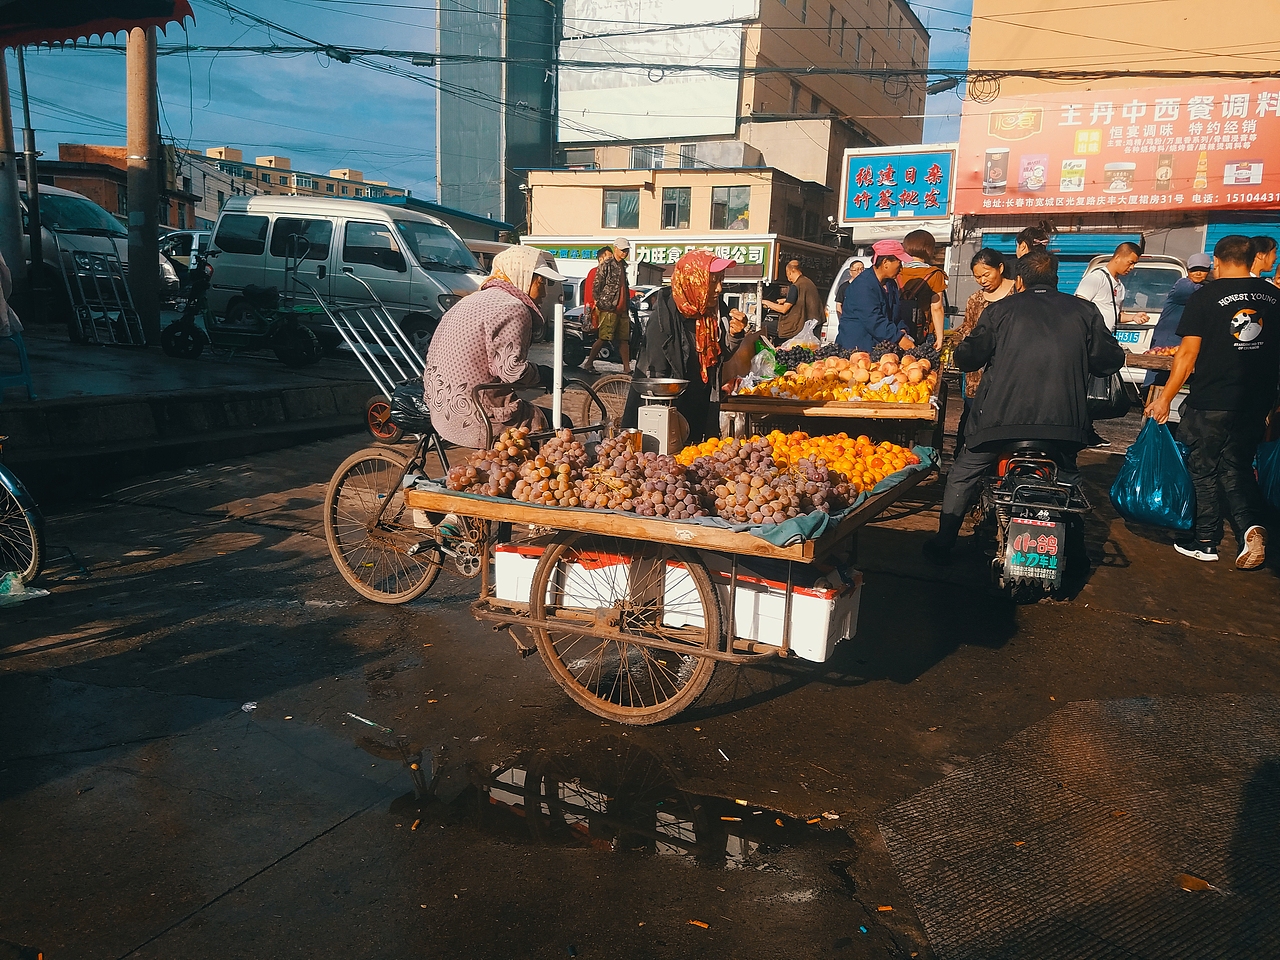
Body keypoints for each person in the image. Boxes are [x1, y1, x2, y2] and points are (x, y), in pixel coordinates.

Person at [923, 251, 1124, 564]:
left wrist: (963, 350)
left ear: (1018, 279)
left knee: (963, 473)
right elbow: (1110, 360)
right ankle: (1076, 552)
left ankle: (944, 540)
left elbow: (968, 357)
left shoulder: (1000, 311)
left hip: (999, 422)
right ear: (1056, 279)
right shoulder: (1085, 311)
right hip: (1065, 426)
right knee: (1068, 480)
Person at [1146, 235, 1280, 569]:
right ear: (1253, 260)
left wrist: (1165, 398)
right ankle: (1251, 526)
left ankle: (1205, 540)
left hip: (1212, 399)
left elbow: (1188, 356)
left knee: (1202, 467)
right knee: (1236, 465)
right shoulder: (1276, 298)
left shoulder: (1205, 297)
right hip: (1256, 401)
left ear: (1217, 262)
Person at [422, 245, 564, 448]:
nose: (543, 292)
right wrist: (543, 374)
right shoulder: (513, 308)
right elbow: (511, 371)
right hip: (476, 415)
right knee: (559, 424)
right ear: (522, 276)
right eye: (540, 282)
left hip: (441, 406)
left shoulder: (474, 299)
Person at [622, 250, 751, 444]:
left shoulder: (715, 310)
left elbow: (720, 353)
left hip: (703, 402)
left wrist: (735, 335)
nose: (718, 289)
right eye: (712, 281)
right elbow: (655, 373)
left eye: (720, 281)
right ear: (694, 281)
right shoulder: (664, 316)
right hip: (670, 407)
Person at [954, 248, 1015, 450]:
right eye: (977, 276)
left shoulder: (1018, 294)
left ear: (1000, 268)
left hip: (1010, 371)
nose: (982, 280)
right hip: (977, 374)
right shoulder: (975, 300)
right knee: (973, 417)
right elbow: (968, 331)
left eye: (986, 274)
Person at [1143, 252, 1211, 390]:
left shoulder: (1205, 287)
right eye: (1194, 269)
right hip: (1166, 345)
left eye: (1203, 270)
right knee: (1156, 385)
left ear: (1209, 271)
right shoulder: (1183, 285)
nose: (1198, 273)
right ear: (1187, 270)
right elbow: (1207, 294)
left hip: (1185, 348)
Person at [837, 248, 906, 352]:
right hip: (857, 348)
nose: (901, 268)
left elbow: (895, 313)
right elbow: (873, 319)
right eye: (899, 263)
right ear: (885, 262)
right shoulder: (862, 285)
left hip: (880, 348)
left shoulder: (890, 284)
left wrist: (902, 329)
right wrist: (898, 338)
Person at [584, 240, 631, 374]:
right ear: (615, 248)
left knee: (624, 339)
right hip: (609, 308)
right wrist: (600, 302)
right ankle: (589, 363)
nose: (625, 252)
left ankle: (627, 368)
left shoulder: (623, 265)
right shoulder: (606, 264)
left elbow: (624, 286)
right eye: (622, 250)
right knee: (604, 337)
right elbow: (596, 286)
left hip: (622, 308)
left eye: (626, 250)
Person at [897, 229, 947, 346]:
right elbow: (936, 308)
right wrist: (940, 338)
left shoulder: (897, 272)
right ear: (929, 249)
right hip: (924, 332)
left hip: (899, 331)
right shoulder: (935, 274)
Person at [760, 259, 823, 341]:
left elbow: (784, 310)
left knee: (761, 326)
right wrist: (785, 300)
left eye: (787, 274)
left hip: (797, 325)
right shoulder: (808, 282)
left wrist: (766, 302)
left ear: (790, 272)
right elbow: (800, 299)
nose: (788, 277)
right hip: (813, 323)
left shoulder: (795, 286)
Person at [580, 245, 612, 338]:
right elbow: (592, 294)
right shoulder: (594, 272)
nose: (611, 260)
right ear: (601, 259)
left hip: (604, 311)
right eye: (609, 258)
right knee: (602, 338)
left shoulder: (609, 273)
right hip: (596, 312)